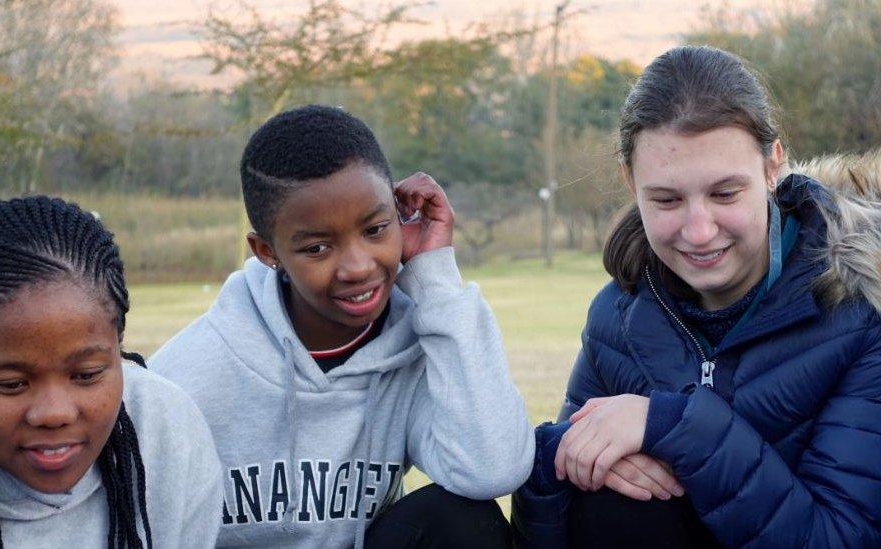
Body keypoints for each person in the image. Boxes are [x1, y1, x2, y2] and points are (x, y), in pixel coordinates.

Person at [512, 45, 881, 548]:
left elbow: (840, 538)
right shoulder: (616, 316)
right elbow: (556, 517)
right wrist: (560, 456)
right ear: (630, 181)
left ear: (774, 166)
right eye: (666, 199)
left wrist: (672, 425)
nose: (699, 231)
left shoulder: (860, 310)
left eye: (725, 194)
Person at [149, 104, 534, 548]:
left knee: (463, 520)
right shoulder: (187, 378)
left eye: (375, 229)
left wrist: (435, 276)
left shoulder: (418, 345)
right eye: (317, 247)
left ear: (398, 212)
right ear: (266, 250)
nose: (357, 267)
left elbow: (493, 469)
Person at [0, 196, 223, 548]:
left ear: (119, 352)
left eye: (86, 375)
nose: (54, 413)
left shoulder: (167, 433)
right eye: (12, 384)